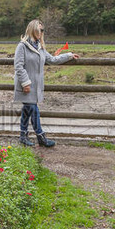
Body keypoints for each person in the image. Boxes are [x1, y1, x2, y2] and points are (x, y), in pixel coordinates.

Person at [13, 19, 78, 147]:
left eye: (43, 30)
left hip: (35, 86)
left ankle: (23, 136)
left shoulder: (40, 47)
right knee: (33, 109)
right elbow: (18, 66)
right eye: (40, 29)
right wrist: (25, 83)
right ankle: (40, 136)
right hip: (26, 85)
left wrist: (69, 55)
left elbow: (52, 59)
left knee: (28, 109)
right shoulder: (22, 46)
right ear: (33, 29)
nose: (42, 32)